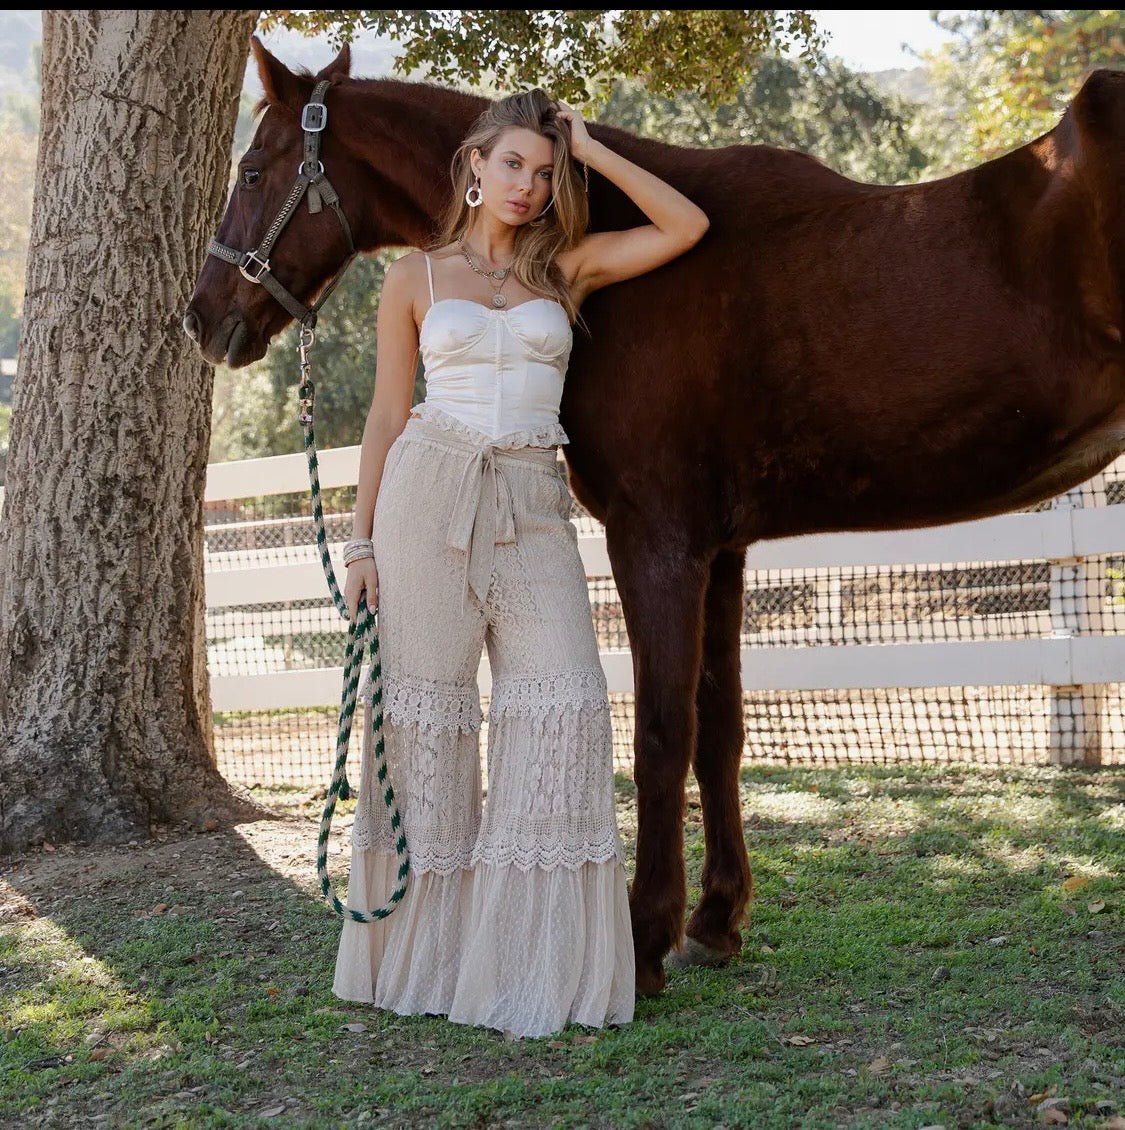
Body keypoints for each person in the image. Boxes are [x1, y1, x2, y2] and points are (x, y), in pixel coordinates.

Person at [331, 87, 709, 1040]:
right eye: (511, 165)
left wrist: (593, 149)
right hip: (428, 496)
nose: (528, 187)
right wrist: (362, 541)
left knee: (565, 704)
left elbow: (686, 224)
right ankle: (427, 962)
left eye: (544, 173)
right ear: (472, 164)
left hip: (534, 506)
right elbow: (384, 417)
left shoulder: (564, 273)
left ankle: (532, 964)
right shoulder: (415, 277)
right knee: (428, 728)